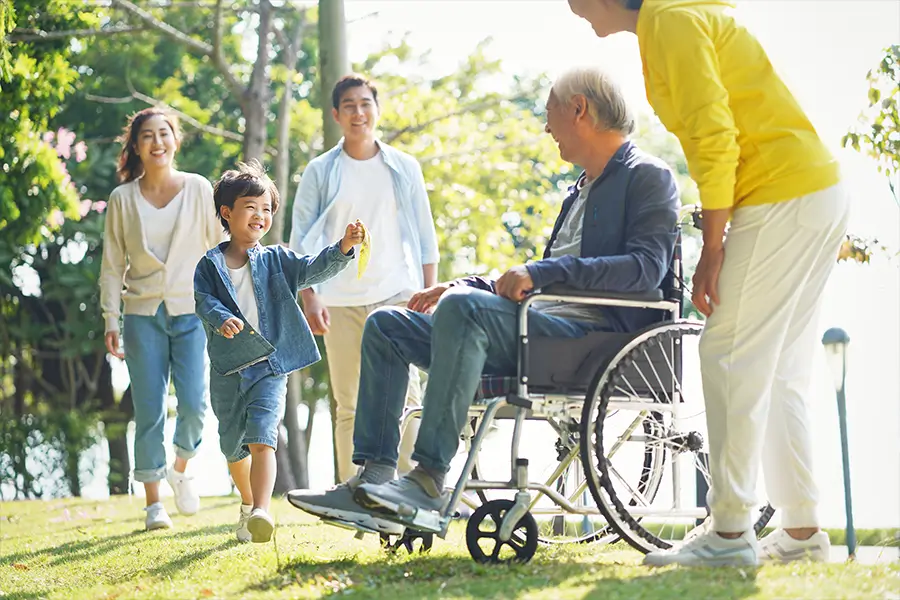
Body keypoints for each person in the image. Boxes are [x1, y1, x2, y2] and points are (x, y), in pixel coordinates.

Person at [287, 67, 680, 536]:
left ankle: (429, 479)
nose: (545, 126)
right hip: (536, 328)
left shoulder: (648, 177)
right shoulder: (580, 188)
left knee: (462, 311)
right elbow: (536, 275)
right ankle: (373, 480)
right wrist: (464, 284)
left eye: (549, 113)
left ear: (579, 110)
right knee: (388, 325)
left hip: (590, 340)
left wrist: (535, 275)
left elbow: (643, 270)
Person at [566, 0, 851, 566]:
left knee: (727, 351)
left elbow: (713, 136)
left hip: (782, 194)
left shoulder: (671, 22)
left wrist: (712, 248)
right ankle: (800, 533)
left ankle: (729, 533)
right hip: (813, 190)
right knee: (778, 369)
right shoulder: (672, 20)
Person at [193, 161, 364, 543]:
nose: (261, 215)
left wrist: (344, 247)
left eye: (267, 208)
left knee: (263, 437)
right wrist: (221, 317)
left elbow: (313, 269)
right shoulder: (209, 264)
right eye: (251, 207)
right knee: (233, 445)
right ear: (227, 213)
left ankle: (261, 511)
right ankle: (247, 503)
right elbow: (202, 301)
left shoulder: (278, 258)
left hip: (271, 365)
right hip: (228, 369)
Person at [289, 74, 440, 484]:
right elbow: (299, 238)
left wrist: (429, 291)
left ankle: (412, 486)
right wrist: (310, 295)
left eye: (366, 103)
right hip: (338, 299)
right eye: (350, 106)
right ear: (337, 115)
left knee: (408, 396)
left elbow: (426, 236)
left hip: (396, 294)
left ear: (376, 109)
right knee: (349, 402)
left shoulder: (403, 167)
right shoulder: (321, 171)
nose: (359, 113)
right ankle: (353, 490)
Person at [100, 108, 225, 531]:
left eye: (165, 134)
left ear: (176, 140)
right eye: (148, 136)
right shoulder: (122, 199)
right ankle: (154, 503)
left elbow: (219, 250)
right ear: (135, 145)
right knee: (149, 409)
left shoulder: (198, 188)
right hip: (140, 316)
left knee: (194, 406)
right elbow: (112, 265)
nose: (157, 142)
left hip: (192, 312)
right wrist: (110, 319)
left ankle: (181, 466)